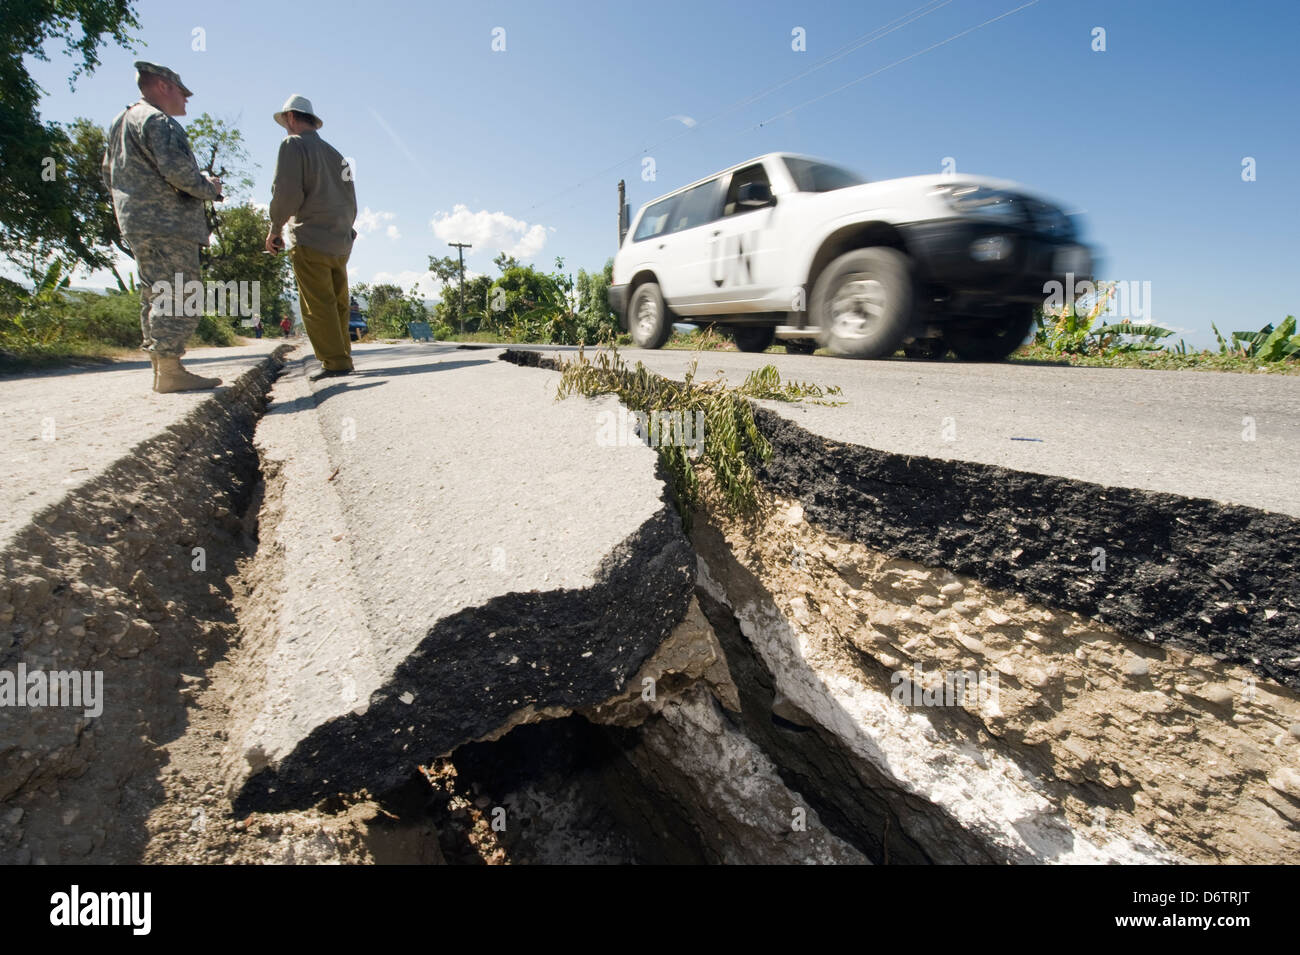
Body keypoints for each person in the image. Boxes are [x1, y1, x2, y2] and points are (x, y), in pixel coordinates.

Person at [101, 61, 225, 393]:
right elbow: (177, 173)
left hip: (136, 221)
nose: (186, 101)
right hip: (168, 222)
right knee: (181, 292)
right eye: (183, 93)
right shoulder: (158, 121)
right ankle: (170, 369)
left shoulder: (121, 121)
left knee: (155, 292)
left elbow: (107, 173)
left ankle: (161, 369)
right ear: (163, 86)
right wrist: (209, 187)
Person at [265, 95, 358, 381]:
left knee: (318, 304)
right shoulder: (337, 155)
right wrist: (345, 231)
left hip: (310, 237)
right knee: (339, 304)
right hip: (340, 240)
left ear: (291, 118)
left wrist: (276, 228)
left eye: (285, 122)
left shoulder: (293, 144)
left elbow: (287, 191)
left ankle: (335, 362)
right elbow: (350, 201)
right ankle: (342, 356)